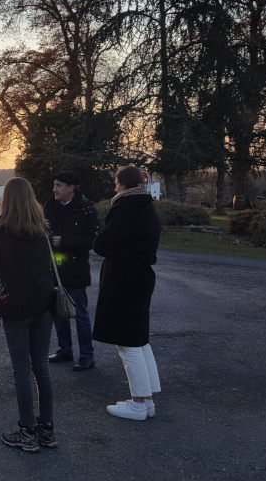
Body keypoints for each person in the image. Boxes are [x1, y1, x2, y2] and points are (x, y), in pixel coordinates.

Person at [0, 177, 58, 453]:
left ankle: (26, 431)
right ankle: (46, 429)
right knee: (41, 368)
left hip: (14, 305)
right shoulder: (42, 229)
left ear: (6, 200)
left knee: (22, 370)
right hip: (44, 303)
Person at [92, 165, 162, 421]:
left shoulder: (125, 209)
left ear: (122, 184)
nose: (114, 187)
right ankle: (148, 399)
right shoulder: (147, 208)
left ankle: (138, 403)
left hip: (124, 279)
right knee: (140, 339)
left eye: (116, 183)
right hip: (141, 278)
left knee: (128, 343)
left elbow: (101, 244)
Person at [44, 171, 100, 372]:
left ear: (71, 188)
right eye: (54, 185)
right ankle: (64, 350)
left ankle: (87, 355)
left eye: (59, 185)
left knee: (80, 314)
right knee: (58, 311)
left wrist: (64, 241)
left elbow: (92, 240)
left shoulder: (86, 210)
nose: (54, 189)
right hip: (53, 268)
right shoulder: (49, 207)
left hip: (76, 269)